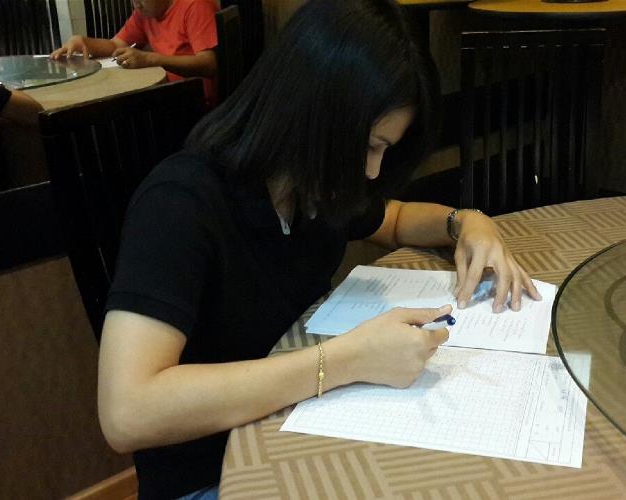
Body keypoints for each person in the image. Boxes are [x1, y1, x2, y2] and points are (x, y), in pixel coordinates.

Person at [99, 0, 543, 498]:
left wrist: (468, 223)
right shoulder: (181, 203)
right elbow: (127, 412)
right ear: (314, 112)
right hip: (212, 475)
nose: (372, 171)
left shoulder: (310, 186)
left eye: (384, 150)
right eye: (369, 145)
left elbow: (395, 219)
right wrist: (345, 361)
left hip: (306, 427)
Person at [50, 0, 219, 106]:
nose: (136, 4)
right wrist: (84, 42)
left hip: (197, 104)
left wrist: (151, 59)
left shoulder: (196, 5)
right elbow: (116, 44)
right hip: (165, 94)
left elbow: (209, 64)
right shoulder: (145, 13)